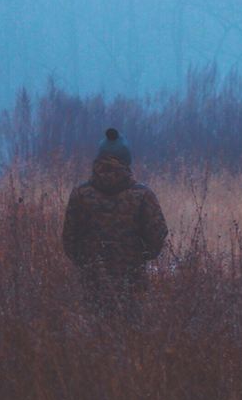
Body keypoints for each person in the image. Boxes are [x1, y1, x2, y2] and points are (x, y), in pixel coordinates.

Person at [62, 128, 168, 308]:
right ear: (127, 160)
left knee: (92, 331)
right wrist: (139, 258)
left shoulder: (80, 194)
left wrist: (86, 262)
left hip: (91, 283)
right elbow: (157, 236)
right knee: (132, 334)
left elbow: (69, 239)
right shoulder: (143, 195)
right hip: (132, 283)